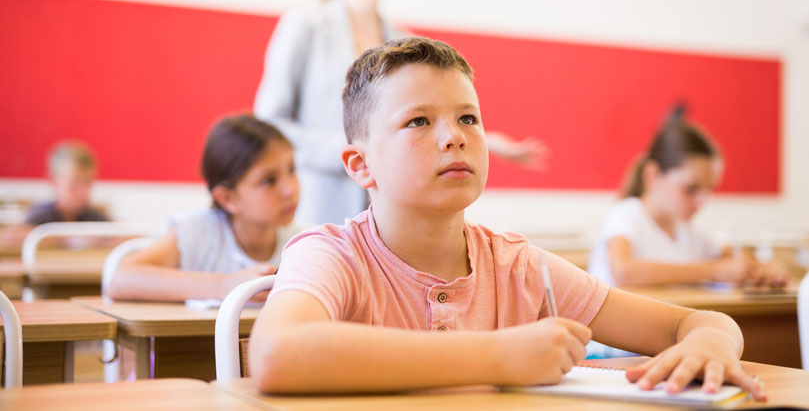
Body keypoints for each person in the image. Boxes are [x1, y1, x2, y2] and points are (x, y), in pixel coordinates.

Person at [247, 37, 765, 399]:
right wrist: (499, 356)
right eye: (418, 120)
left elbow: (698, 322)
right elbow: (275, 354)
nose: (454, 135)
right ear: (361, 165)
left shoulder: (519, 267)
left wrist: (709, 345)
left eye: (468, 117)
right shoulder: (331, 254)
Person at [254, 0, 544, 225]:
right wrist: (356, 151)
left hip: (390, 215)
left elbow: (418, 119)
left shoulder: (404, 39)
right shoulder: (306, 25)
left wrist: (482, 138)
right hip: (321, 208)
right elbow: (270, 127)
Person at [106, 114, 307, 301]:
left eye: (291, 169)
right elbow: (121, 280)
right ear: (228, 198)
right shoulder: (198, 234)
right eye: (268, 180)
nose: (290, 189)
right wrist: (224, 286)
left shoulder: (304, 241)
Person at [588, 120, 787, 288]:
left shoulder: (687, 233)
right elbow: (624, 272)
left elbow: (730, 254)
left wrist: (762, 269)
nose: (702, 201)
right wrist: (714, 271)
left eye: (708, 190)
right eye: (691, 189)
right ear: (653, 175)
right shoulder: (626, 215)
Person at [0, 140, 109, 249]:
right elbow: (9, 237)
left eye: (88, 183)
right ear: (53, 181)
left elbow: (119, 236)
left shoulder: (93, 216)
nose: (83, 192)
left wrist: (101, 240)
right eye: (74, 186)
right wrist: (67, 239)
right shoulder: (43, 214)